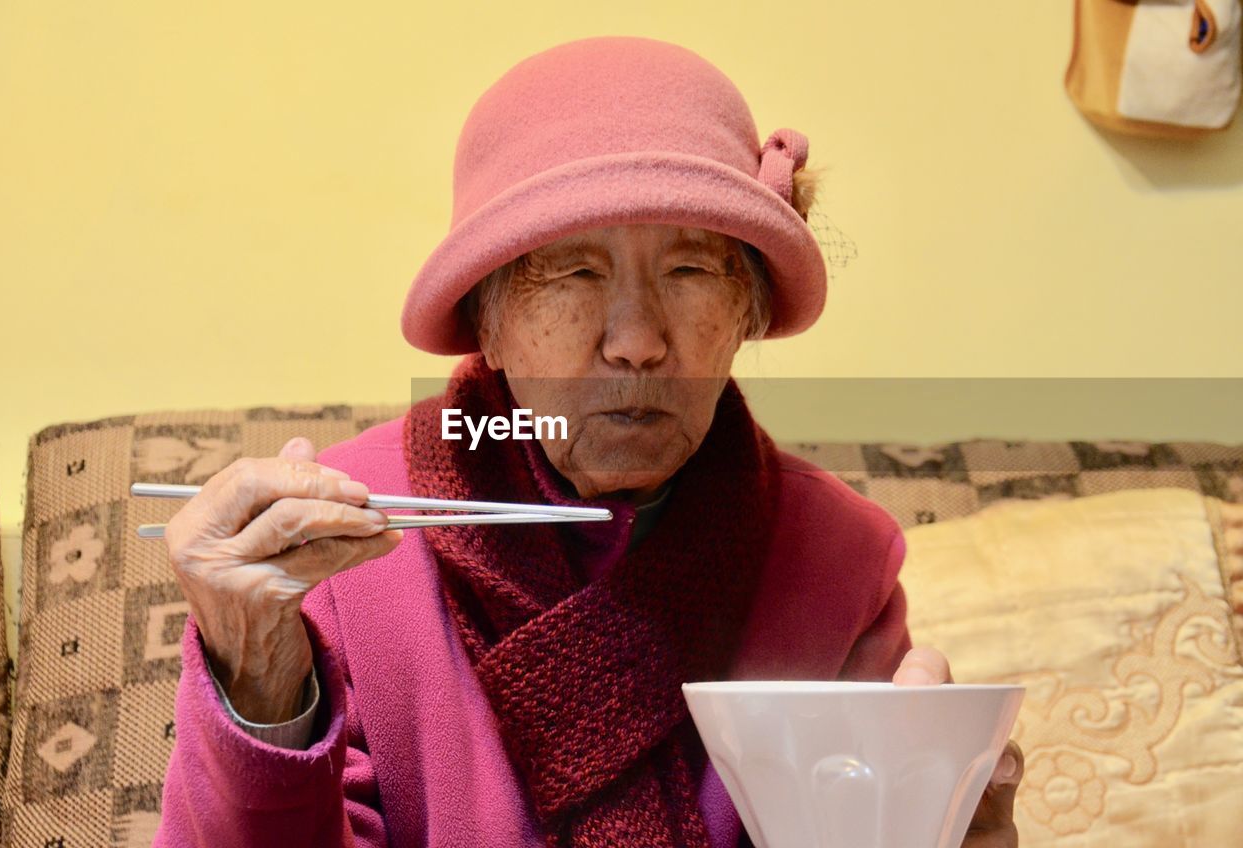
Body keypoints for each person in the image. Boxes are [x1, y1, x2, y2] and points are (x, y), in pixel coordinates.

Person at [153, 35, 1023, 847]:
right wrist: (257, 682)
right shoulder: (339, 544)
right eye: (571, 272)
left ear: (746, 316)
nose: (637, 339)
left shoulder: (840, 555)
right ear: (484, 324)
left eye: (690, 270)